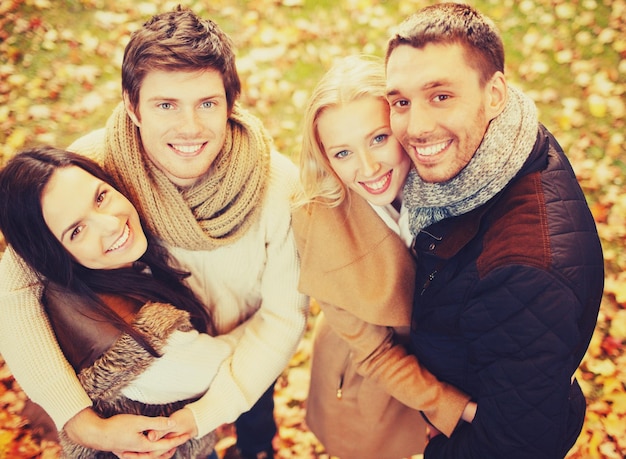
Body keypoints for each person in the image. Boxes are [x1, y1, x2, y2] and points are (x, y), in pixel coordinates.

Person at [0, 6, 308, 459]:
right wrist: (81, 422)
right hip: (157, 358)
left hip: (249, 354)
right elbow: (15, 290)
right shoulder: (94, 168)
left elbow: (283, 318)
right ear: (133, 107)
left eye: (207, 103)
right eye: (166, 105)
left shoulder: (277, 184)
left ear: (231, 102)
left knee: (257, 425)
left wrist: (208, 411)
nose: (190, 128)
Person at [384, 3, 604, 458]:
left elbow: (513, 446)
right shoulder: (510, 142)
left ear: (496, 93)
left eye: (441, 95)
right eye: (401, 102)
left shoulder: (523, 274)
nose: (417, 127)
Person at [292, 55, 476, 459]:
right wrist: (458, 408)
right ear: (324, 158)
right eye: (343, 153)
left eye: (378, 138)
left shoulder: (451, 178)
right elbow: (375, 353)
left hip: (452, 362)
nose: (369, 167)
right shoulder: (319, 227)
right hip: (368, 375)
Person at [0, 147, 235, 459]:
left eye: (100, 197)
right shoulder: (128, 340)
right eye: (77, 230)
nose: (110, 225)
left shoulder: (105, 271)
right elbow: (225, 366)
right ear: (52, 256)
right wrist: (269, 319)